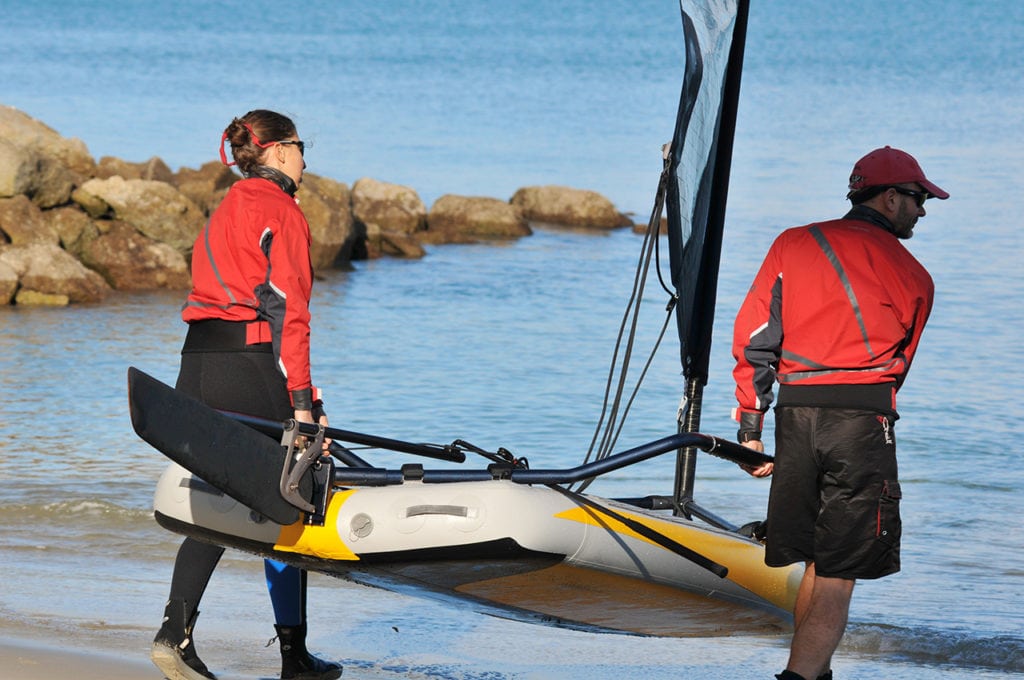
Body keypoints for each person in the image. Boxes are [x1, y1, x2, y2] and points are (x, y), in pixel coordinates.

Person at [730, 146, 948, 680]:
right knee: (839, 573)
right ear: (891, 196)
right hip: (861, 422)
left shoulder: (792, 243)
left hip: (795, 416)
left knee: (814, 561)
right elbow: (898, 371)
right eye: (919, 199)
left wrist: (750, 429)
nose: (923, 210)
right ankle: (799, 679)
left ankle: (812, 672)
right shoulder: (916, 278)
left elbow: (757, 339)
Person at [150, 109, 342, 680]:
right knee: (296, 489)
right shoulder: (281, 210)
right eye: (302, 146)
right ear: (279, 151)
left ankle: (174, 633)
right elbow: (291, 312)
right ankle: (294, 655)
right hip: (248, 365)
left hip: (196, 363)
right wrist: (303, 401)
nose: (307, 158)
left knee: (219, 497)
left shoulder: (224, 209)